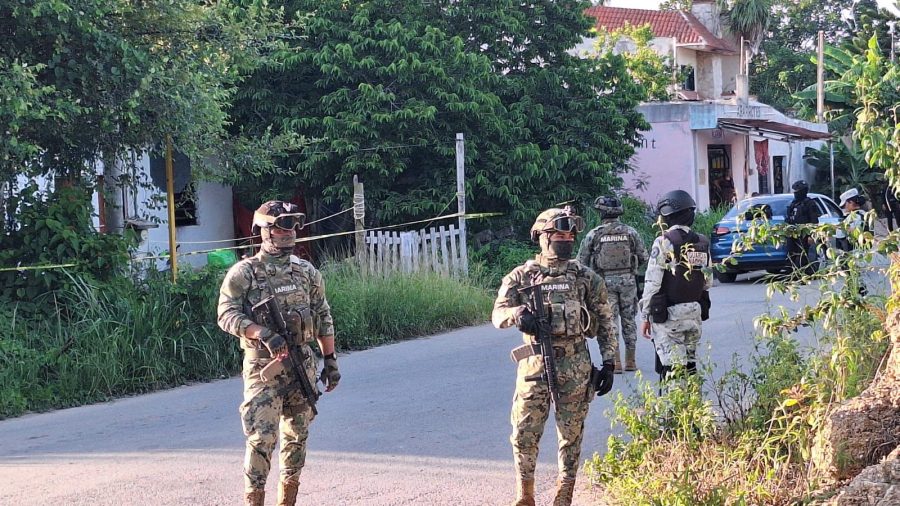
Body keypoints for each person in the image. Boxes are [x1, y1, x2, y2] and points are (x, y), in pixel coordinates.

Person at [217, 201, 341, 506]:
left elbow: (323, 315)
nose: (289, 233)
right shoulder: (244, 273)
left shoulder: (306, 272)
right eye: (282, 227)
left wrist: (330, 360)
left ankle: (287, 500)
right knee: (261, 439)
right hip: (265, 369)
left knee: (297, 437)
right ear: (264, 231)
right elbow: (226, 314)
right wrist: (261, 333)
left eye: (293, 227)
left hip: (302, 365)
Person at [492, 206, 617, 506]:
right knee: (523, 433)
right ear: (542, 237)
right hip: (534, 367)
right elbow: (497, 314)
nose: (566, 239)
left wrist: (609, 362)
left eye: (570, 235)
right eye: (559, 235)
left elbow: (605, 320)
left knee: (571, 436)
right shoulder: (522, 276)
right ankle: (525, 495)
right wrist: (517, 314)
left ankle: (564, 495)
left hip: (575, 367)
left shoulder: (585, 278)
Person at [638, 190, 711, 381]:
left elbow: (653, 283)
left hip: (669, 316)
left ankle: (676, 402)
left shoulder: (664, 242)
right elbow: (707, 282)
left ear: (667, 215)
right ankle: (693, 400)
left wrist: (645, 316)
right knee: (690, 368)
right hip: (694, 313)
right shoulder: (702, 242)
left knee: (672, 372)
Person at [577, 196, 649, 373]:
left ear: (601, 213)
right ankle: (631, 361)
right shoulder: (630, 232)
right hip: (628, 281)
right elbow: (643, 257)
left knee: (610, 320)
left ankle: (615, 362)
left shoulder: (594, 234)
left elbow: (581, 261)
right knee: (629, 320)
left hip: (604, 282)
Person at [784, 180, 821, 276]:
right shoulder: (793, 203)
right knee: (791, 255)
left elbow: (814, 220)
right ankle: (792, 274)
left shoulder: (809, 203)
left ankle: (803, 275)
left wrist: (811, 235)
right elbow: (789, 218)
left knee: (803, 255)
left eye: (797, 191)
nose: (795, 193)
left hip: (804, 234)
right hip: (792, 233)